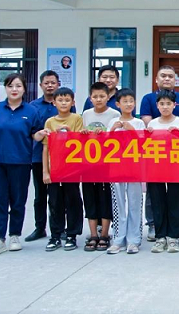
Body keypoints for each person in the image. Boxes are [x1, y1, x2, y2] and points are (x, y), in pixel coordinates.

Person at [0, 73, 41, 257]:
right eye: (10, 86)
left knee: (18, 201)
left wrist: (42, 134)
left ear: (24, 89)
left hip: (21, 162)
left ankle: (14, 235)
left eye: (18, 86)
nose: (14, 89)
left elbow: (35, 134)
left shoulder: (31, 111)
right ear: (5, 88)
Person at [140, 65, 179, 242]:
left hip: (176, 160)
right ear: (156, 79)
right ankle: (156, 228)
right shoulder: (148, 101)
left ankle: (173, 231)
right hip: (156, 160)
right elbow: (147, 129)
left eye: (170, 76)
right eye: (163, 76)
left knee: (175, 197)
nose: (167, 79)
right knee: (155, 197)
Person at [27, 70, 74, 243]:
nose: (50, 86)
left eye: (53, 82)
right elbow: (30, 131)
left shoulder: (66, 103)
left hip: (62, 158)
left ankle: (62, 229)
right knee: (40, 195)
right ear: (41, 85)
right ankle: (40, 228)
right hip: (39, 156)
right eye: (46, 83)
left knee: (61, 195)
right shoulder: (33, 106)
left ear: (58, 84)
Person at [39, 87, 84, 252]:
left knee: (73, 201)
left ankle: (72, 234)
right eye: (60, 100)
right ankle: (55, 235)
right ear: (54, 102)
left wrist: (68, 133)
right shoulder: (50, 122)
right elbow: (46, 148)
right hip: (55, 169)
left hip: (72, 169)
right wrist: (45, 171)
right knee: (54, 202)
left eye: (67, 100)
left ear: (73, 102)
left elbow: (80, 142)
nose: (64, 103)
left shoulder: (77, 118)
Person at [145, 90, 179, 254]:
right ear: (157, 106)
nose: (165, 107)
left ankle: (173, 237)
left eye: (168, 104)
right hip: (155, 168)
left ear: (174, 105)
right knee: (157, 203)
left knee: (174, 202)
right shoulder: (152, 124)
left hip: (175, 168)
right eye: (162, 104)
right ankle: (160, 237)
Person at [81, 82, 120, 252]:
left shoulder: (115, 114)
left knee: (105, 199)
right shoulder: (86, 114)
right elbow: (81, 136)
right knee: (89, 197)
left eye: (102, 96)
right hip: (89, 163)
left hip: (107, 164)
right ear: (90, 98)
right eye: (95, 97)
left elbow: (118, 138)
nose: (98, 99)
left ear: (108, 97)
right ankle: (93, 235)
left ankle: (104, 234)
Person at [106, 88, 146, 255]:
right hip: (116, 168)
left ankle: (134, 240)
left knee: (135, 203)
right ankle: (118, 239)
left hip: (134, 168)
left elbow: (143, 144)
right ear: (118, 104)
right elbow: (105, 145)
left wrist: (131, 130)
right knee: (119, 204)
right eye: (125, 101)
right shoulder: (112, 122)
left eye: (131, 101)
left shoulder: (139, 123)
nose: (129, 104)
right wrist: (112, 131)